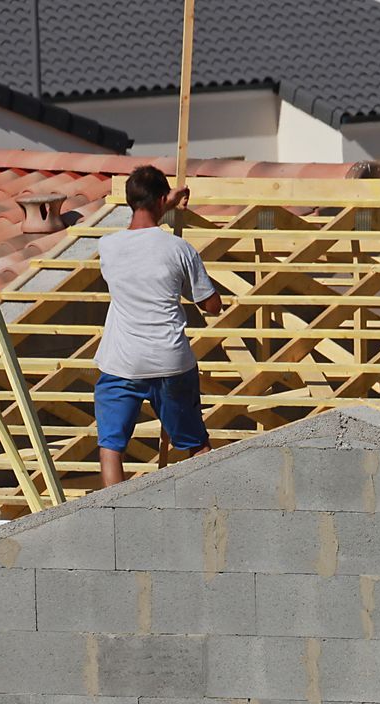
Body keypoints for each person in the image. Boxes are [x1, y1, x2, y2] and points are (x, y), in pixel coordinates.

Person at [93, 165, 223, 487]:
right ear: (162, 199)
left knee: (111, 446)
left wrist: (164, 200)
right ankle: (210, 502)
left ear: (129, 201)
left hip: (123, 363)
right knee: (196, 444)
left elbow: (138, 234)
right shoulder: (179, 250)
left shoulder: (107, 248)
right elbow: (211, 305)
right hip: (170, 362)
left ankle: (114, 516)